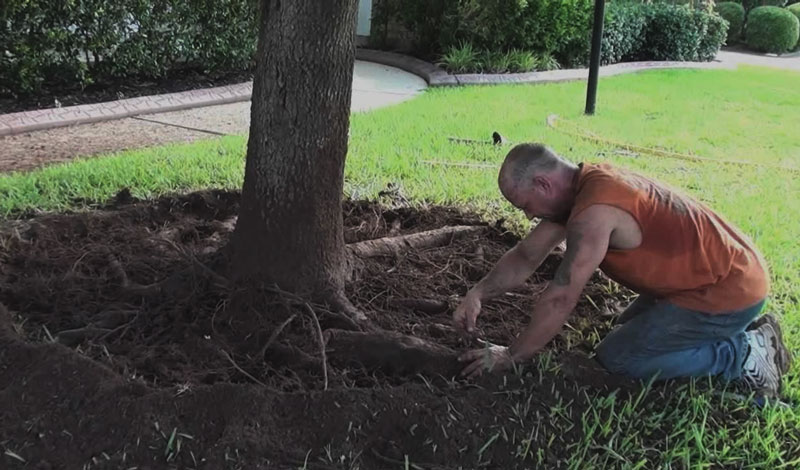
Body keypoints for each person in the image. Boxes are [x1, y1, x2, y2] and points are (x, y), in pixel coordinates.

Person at [453, 143, 791, 396]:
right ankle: (737, 335)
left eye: (525, 205)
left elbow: (561, 296)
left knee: (620, 359)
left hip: (729, 289)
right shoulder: (581, 186)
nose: (527, 216)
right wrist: (478, 292)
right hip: (708, 277)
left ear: (543, 184)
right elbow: (526, 256)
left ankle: (743, 354)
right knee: (627, 330)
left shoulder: (594, 212)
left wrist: (512, 356)